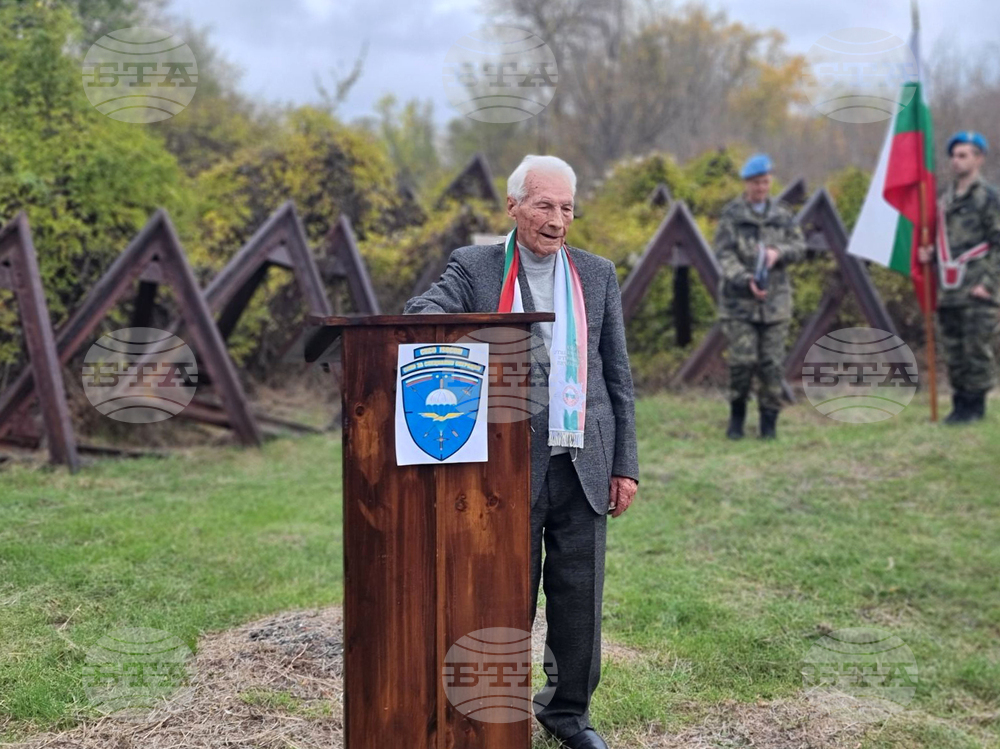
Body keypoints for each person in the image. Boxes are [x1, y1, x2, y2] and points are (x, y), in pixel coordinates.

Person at [404, 154, 639, 749]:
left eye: (567, 208)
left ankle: (568, 716)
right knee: (502, 598)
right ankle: (495, 715)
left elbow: (618, 377)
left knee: (578, 605)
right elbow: (422, 314)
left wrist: (625, 465)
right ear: (513, 206)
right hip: (504, 470)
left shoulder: (597, 272)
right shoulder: (476, 266)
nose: (558, 220)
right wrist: (461, 337)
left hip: (583, 461)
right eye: (544, 205)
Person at [713, 153, 805, 439]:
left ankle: (769, 425)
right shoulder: (732, 216)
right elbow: (724, 254)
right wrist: (744, 278)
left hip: (775, 304)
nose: (761, 188)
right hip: (739, 303)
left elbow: (800, 247)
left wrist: (780, 253)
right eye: (755, 183)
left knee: (772, 365)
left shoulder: (782, 215)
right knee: (742, 362)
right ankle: (737, 418)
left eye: (765, 182)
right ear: (746, 184)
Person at [918, 131, 1000, 424]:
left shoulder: (988, 198)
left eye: (964, 155)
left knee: (977, 348)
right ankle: (959, 405)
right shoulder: (943, 200)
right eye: (954, 155)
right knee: (953, 349)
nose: (956, 161)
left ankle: (974, 407)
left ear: (979, 158)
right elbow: (943, 240)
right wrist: (930, 254)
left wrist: (988, 284)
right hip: (949, 288)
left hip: (978, 286)